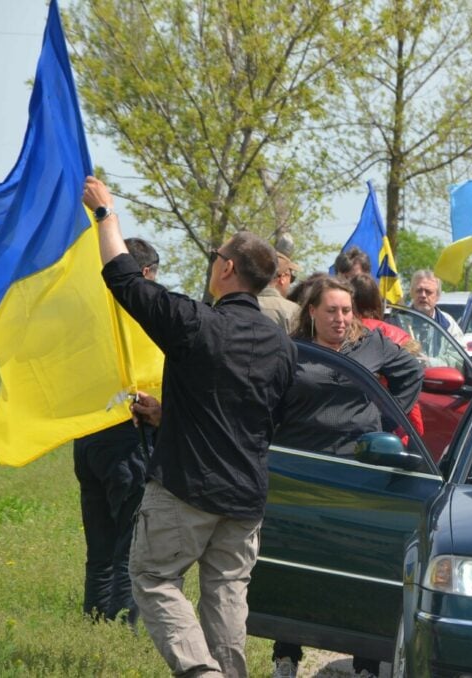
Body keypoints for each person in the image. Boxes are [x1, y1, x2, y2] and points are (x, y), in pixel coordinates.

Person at [83, 176, 296, 677]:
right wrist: (168, 413)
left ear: (226, 268)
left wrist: (105, 214)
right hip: (245, 499)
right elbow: (259, 415)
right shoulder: (282, 347)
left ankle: (200, 672)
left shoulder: (196, 323)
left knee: (153, 578)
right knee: (225, 595)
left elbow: (124, 278)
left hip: (187, 490)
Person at [271, 275, 422, 678]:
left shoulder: (371, 344)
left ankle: (366, 664)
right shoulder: (292, 350)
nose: (340, 319)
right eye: (332, 311)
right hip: (302, 469)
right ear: (313, 312)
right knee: (299, 564)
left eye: (346, 310)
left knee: (357, 563)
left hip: (358, 469)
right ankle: (286, 654)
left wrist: (386, 424)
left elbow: (411, 373)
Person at [72, 237, 160, 626]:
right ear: (143, 273)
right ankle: (124, 626)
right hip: (126, 441)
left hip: (86, 438)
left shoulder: (86, 319)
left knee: (99, 546)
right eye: (153, 276)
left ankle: (94, 620)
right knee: (129, 546)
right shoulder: (141, 318)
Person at [352, 272, 425, 436]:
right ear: (376, 300)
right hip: (390, 435)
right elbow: (413, 413)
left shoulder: (338, 333)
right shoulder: (396, 336)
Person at [409, 269, 464, 342]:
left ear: (438, 296)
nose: (423, 295)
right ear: (412, 293)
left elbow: (458, 351)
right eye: (419, 290)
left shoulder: (448, 324)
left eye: (428, 291)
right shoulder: (400, 321)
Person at [258, 252, 302, 333]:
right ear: (282, 278)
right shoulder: (294, 311)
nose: (290, 283)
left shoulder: (240, 304)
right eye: (291, 278)